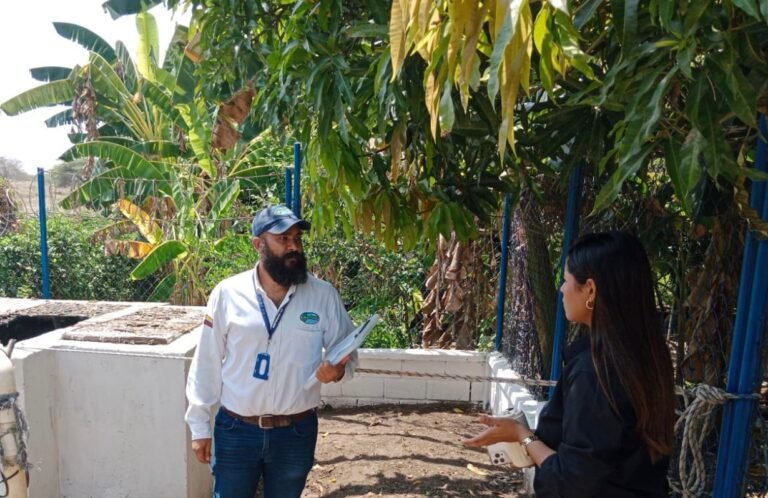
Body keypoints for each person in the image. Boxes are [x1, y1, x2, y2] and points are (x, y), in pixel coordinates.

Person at [464, 231, 676, 497]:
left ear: (590, 289)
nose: (562, 290)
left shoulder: (595, 371)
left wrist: (522, 435)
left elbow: (572, 481)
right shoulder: (649, 356)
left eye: (566, 280)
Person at [185, 205, 356, 498]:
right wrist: (199, 425)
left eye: (297, 239)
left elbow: (347, 350)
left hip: (295, 433)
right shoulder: (228, 294)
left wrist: (337, 370)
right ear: (258, 244)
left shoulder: (323, 295)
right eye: (283, 238)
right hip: (237, 431)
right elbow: (207, 362)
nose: (294, 247)